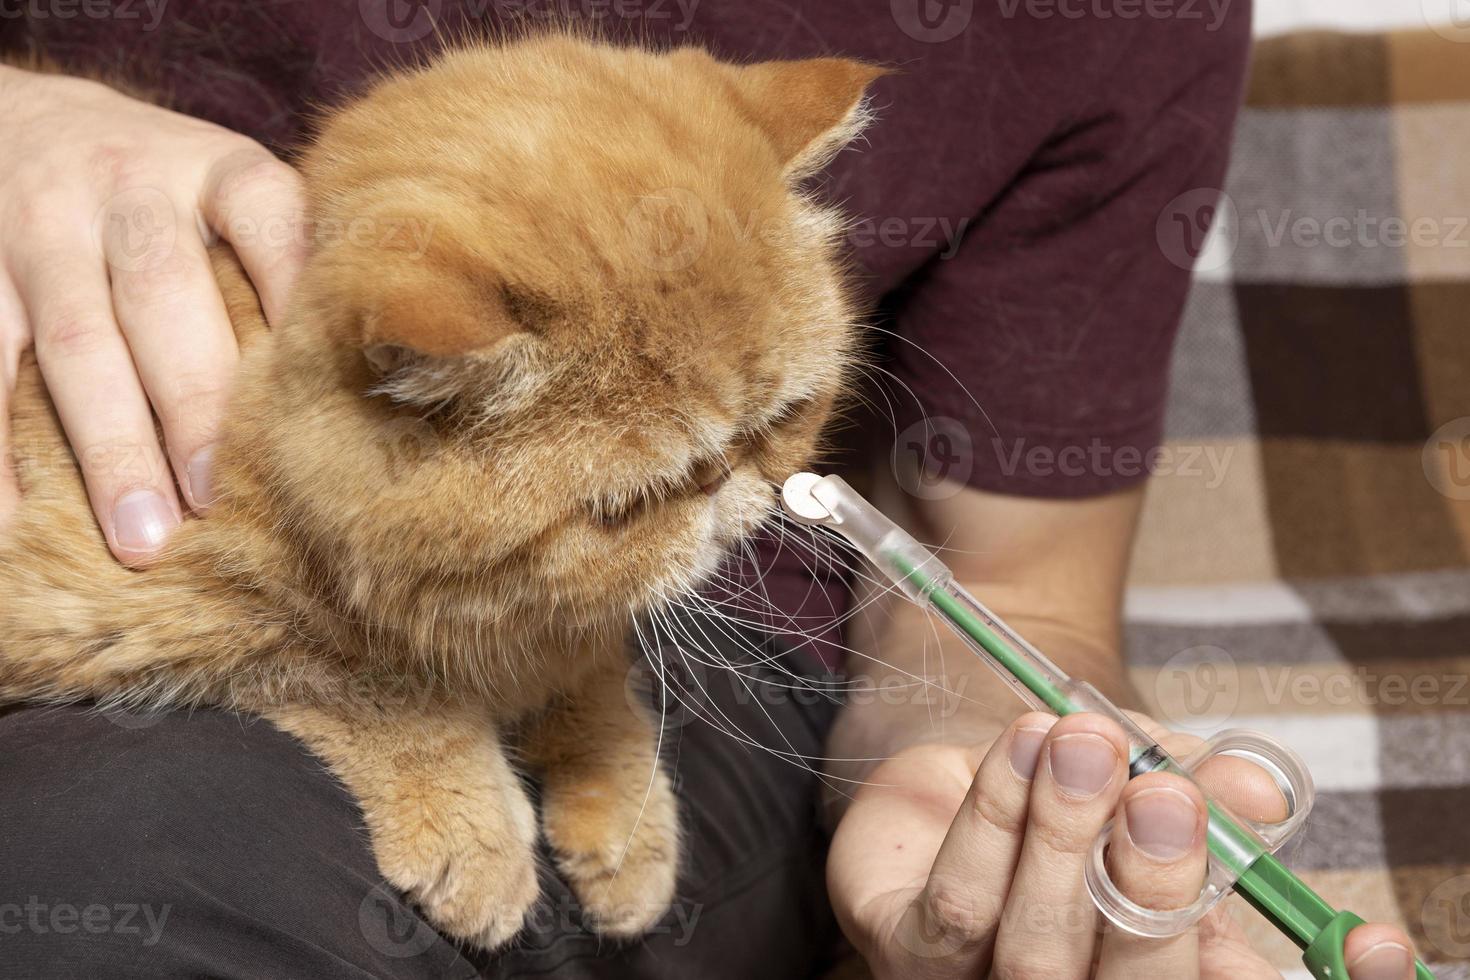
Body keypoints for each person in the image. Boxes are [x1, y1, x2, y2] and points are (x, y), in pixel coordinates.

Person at [0, 3, 1424, 979]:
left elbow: (1000, 583)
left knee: (128, 871)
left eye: (787, 422)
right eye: (656, 490)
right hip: (219, 481)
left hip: (721, 670)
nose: (752, 495)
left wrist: (975, 773)